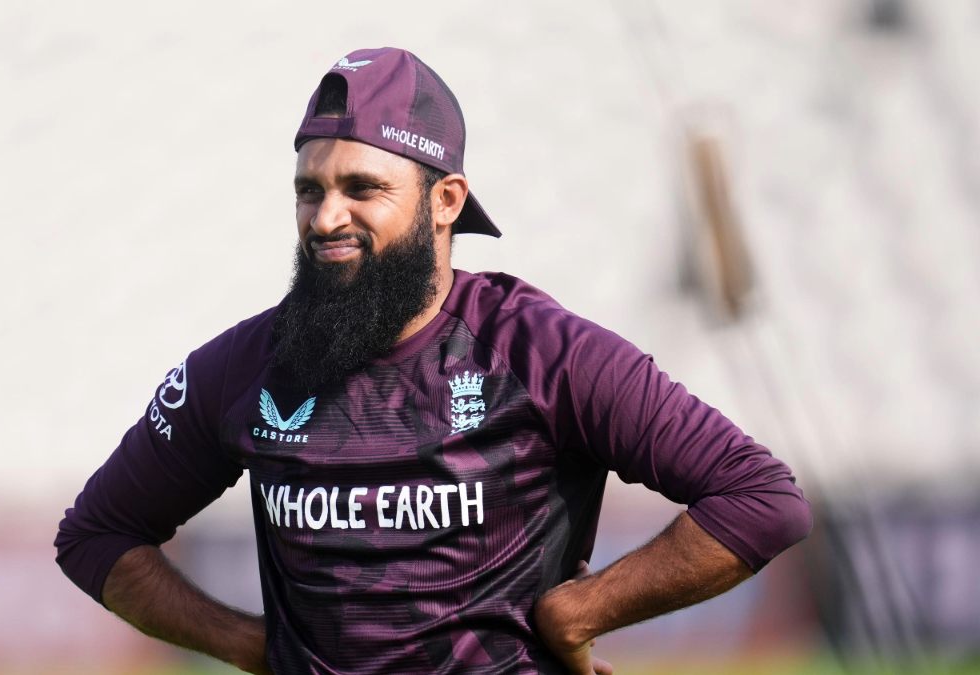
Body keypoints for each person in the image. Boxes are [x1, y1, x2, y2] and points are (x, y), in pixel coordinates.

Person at [55, 47, 812, 675]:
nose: (325, 218)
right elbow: (96, 536)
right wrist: (250, 644)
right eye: (308, 189)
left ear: (445, 200)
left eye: (362, 188)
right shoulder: (247, 365)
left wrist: (577, 610)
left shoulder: (541, 351)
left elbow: (759, 497)